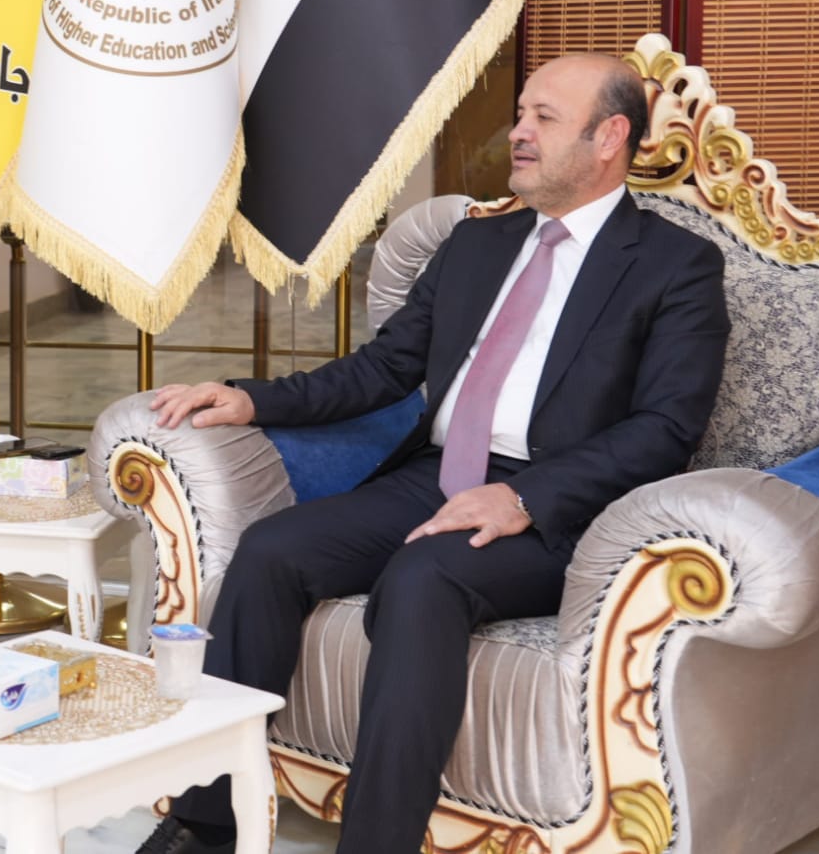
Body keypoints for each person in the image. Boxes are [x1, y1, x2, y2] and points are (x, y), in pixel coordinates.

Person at [136, 53, 731, 854]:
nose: (518, 132)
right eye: (520, 113)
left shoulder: (676, 265)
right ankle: (207, 824)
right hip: (437, 476)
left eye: (544, 118)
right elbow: (385, 367)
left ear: (609, 137)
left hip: (559, 509)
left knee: (423, 578)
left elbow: (665, 427)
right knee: (272, 550)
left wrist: (524, 497)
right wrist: (254, 398)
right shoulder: (477, 243)